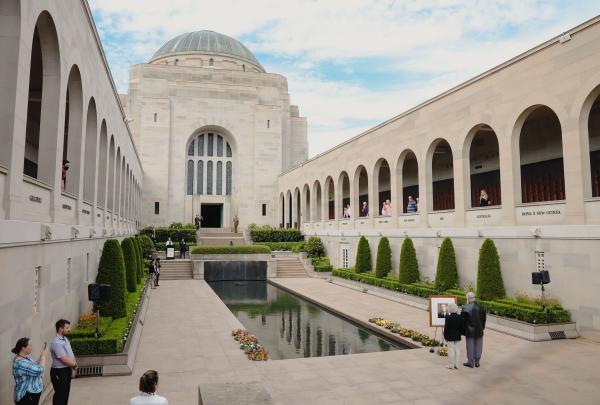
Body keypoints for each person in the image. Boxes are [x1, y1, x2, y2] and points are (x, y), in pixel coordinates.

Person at [12, 337, 49, 405]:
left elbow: (35, 365)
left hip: (32, 394)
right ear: (23, 348)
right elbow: (39, 370)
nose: (31, 347)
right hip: (26, 396)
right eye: (30, 345)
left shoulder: (26, 357)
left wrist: (42, 353)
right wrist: (43, 355)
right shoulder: (20, 363)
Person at [50, 319, 77, 405]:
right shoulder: (57, 342)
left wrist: (72, 369)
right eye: (67, 327)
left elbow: (70, 355)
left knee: (65, 395)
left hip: (66, 370)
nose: (69, 329)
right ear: (61, 329)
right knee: (60, 396)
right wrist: (75, 365)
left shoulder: (65, 339)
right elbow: (63, 359)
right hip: (59, 372)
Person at [461, 291, 486, 368]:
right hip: (479, 329)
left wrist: (462, 331)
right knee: (479, 345)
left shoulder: (465, 307)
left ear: (467, 299)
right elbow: (484, 320)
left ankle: (471, 362)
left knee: (470, 346)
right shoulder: (481, 307)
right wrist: (482, 328)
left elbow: (462, 320)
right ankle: (477, 362)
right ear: (474, 298)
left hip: (469, 330)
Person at [443, 303, 463, 370]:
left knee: (451, 350)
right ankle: (457, 365)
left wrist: (445, 336)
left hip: (450, 336)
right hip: (457, 335)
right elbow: (461, 327)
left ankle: (451, 365)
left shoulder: (448, 317)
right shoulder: (459, 317)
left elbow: (446, 328)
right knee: (457, 350)